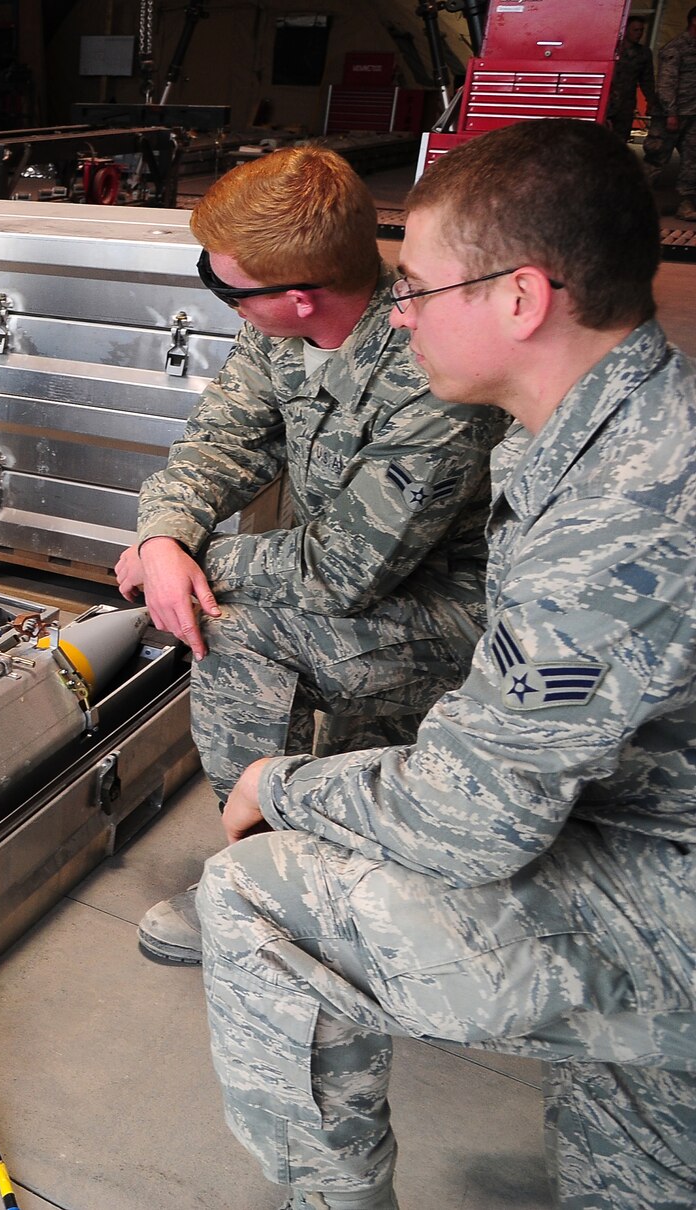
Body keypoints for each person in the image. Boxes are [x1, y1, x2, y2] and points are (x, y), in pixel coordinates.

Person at [201, 118, 696, 1210]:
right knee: (630, 1146)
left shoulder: (624, 510)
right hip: (643, 818)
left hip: (667, 875)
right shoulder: (610, 431)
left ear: (518, 298)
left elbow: (472, 815)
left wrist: (277, 784)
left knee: (255, 897)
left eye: (417, 288)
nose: (399, 312)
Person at [115, 146, 505, 965]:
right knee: (207, 591)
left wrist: (200, 564)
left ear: (298, 297)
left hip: (461, 610)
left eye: (227, 288)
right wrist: (163, 536)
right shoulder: (281, 336)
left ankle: (264, 885)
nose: (224, 302)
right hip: (366, 581)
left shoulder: (432, 368)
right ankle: (307, 829)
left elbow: (343, 571)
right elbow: (221, 442)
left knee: (235, 633)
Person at [651, 7, 696, 219]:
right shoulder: (676, 48)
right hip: (671, 115)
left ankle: (686, 204)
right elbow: (665, 84)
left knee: (692, 161)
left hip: (693, 115)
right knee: (655, 158)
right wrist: (671, 113)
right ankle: (633, 201)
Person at [609, 14, 660, 147]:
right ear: (625, 30)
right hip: (608, 101)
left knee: (621, 139)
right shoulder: (612, 49)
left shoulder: (643, 53)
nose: (639, 34)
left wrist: (651, 100)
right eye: (635, 30)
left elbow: (647, 79)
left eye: (641, 30)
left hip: (626, 103)